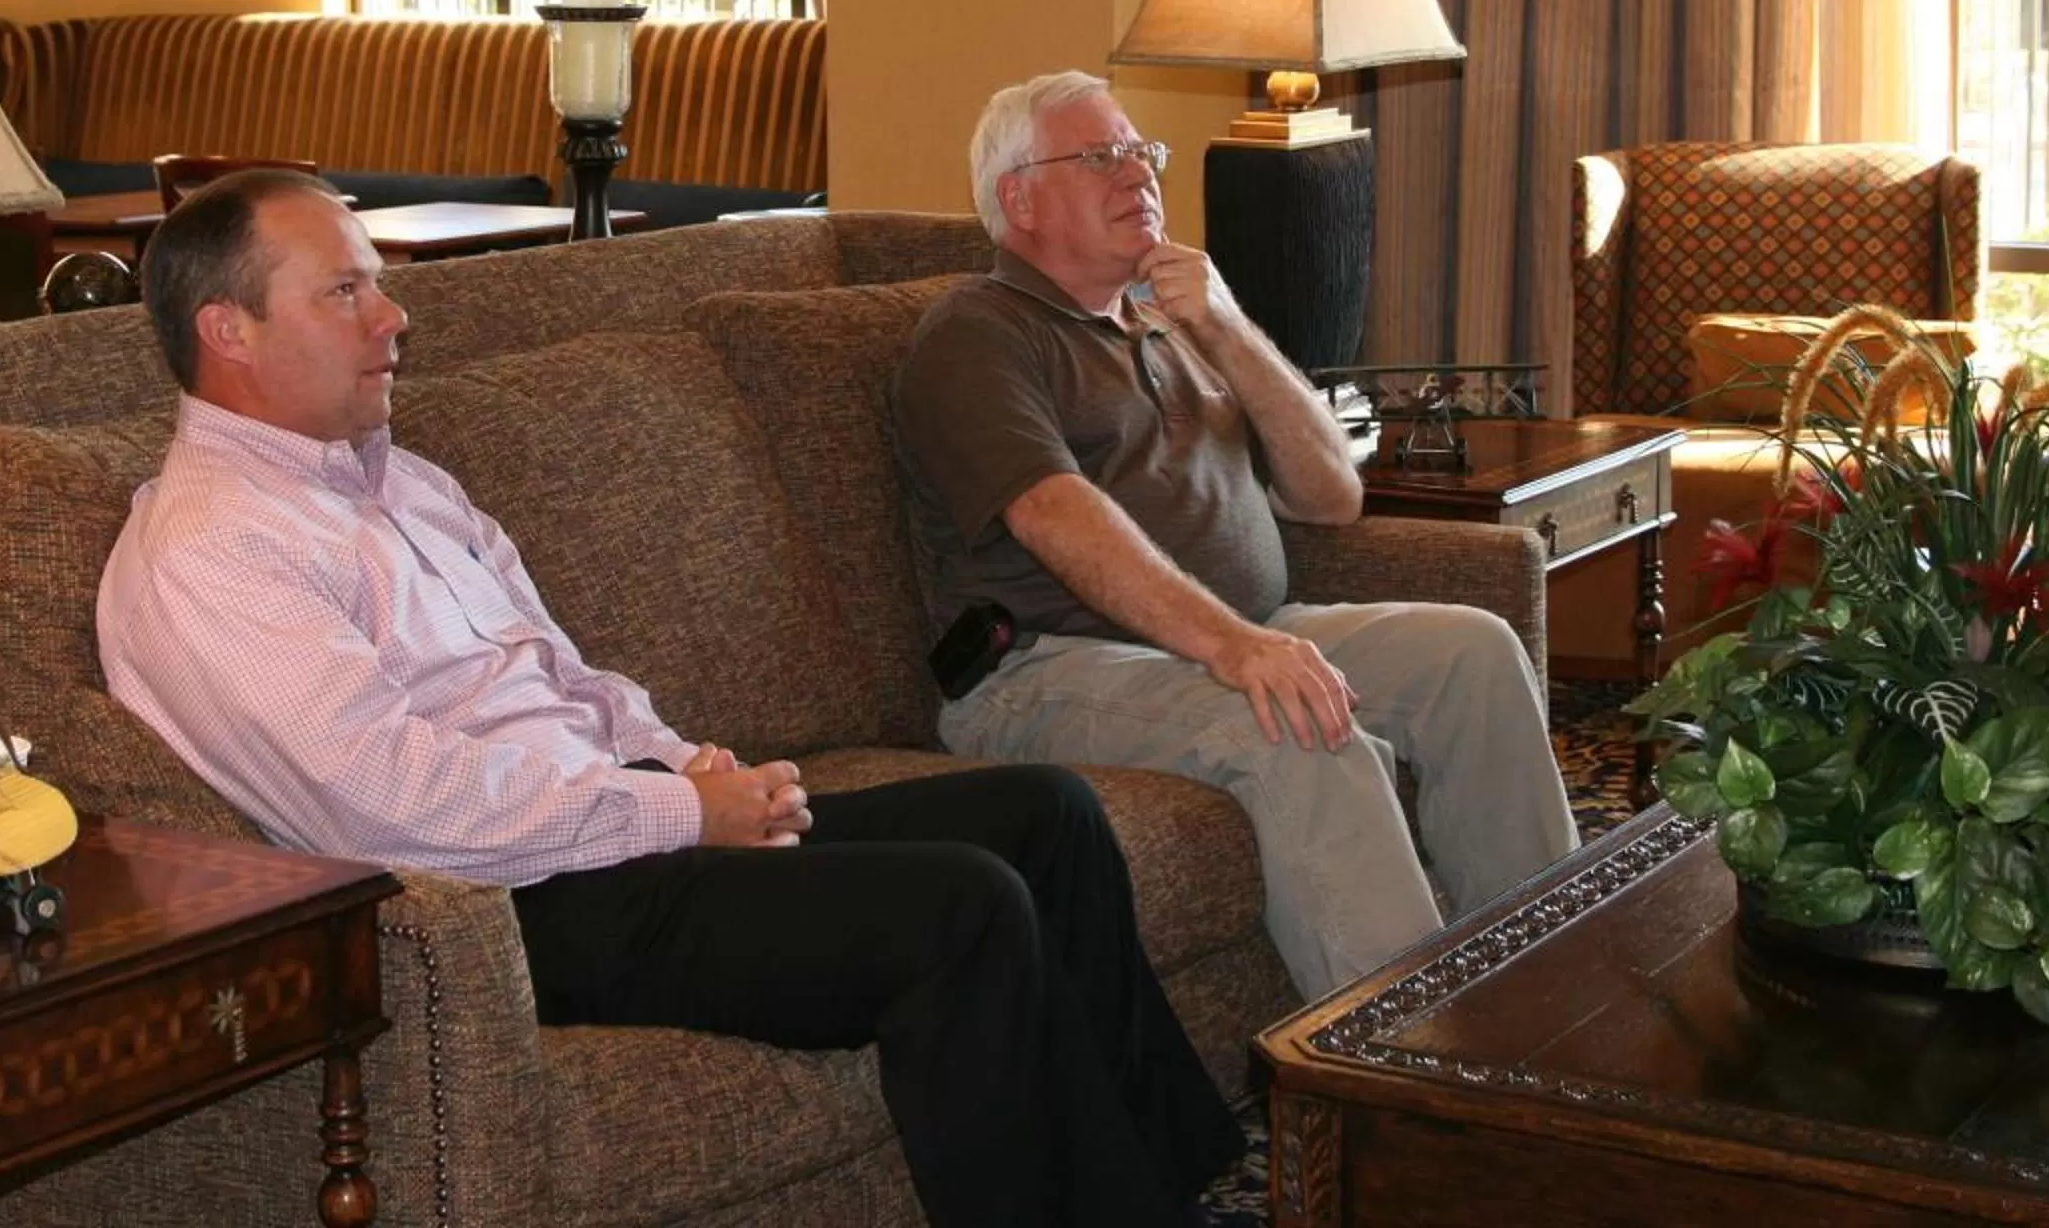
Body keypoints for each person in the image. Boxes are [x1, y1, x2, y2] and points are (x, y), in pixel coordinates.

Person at [97, 169, 1240, 1227]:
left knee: (1046, 814)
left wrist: (687, 764)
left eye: (380, 284)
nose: (393, 316)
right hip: (506, 899)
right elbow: (391, 803)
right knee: (960, 906)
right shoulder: (216, 547)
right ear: (226, 330)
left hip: (610, 822)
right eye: (345, 290)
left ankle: (1185, 1184)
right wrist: (684, 815)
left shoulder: (402, 477)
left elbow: (563, 671)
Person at [893, 72, 1580, 1000]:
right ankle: (1412, 1074)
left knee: (1473, 651)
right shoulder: (980, 333)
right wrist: (1240, 648)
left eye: (1143, 153)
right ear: (1018, 197)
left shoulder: (1165, 322)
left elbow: (1331, 493)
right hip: (1046, 671)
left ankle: (1541, 990)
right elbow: (1054, 516)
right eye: (1102, 156)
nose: (1138, 174)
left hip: (1227, 635)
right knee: (1298, 724)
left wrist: (1223, 324)